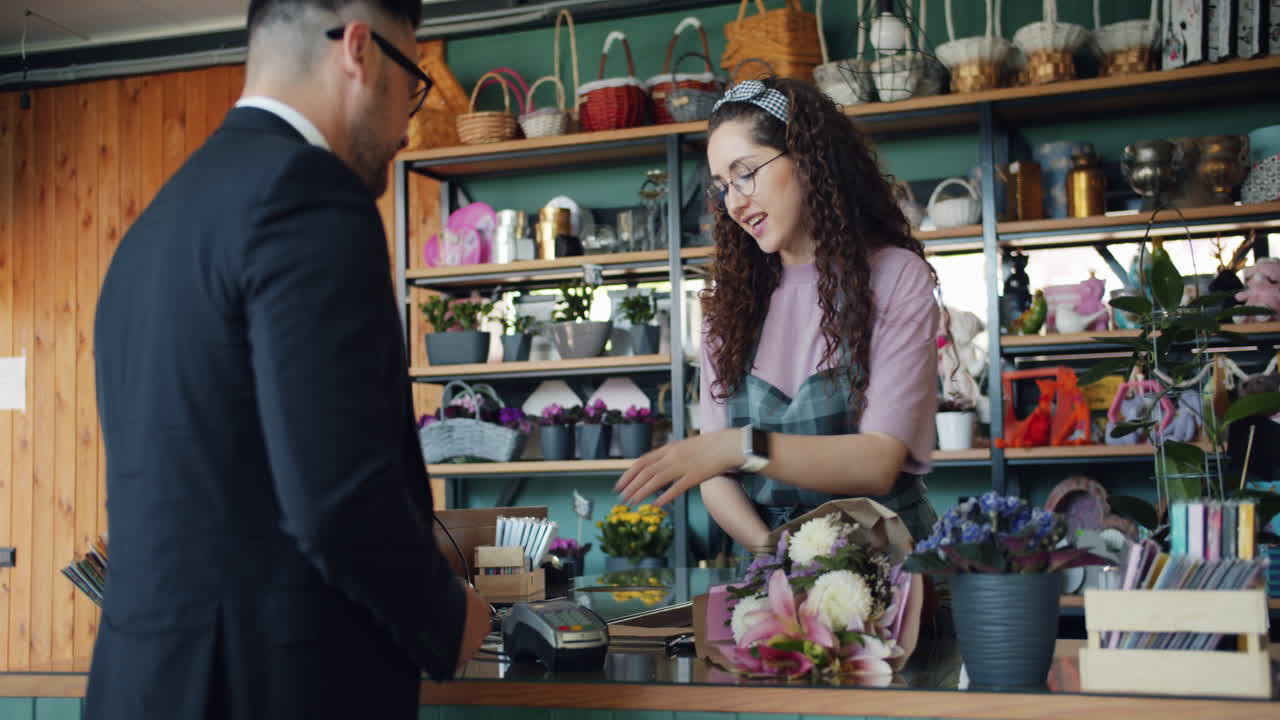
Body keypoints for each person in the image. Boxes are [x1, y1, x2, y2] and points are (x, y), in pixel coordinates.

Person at [87, 1, 489, 718]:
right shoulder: (308, 195)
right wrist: (447, 616)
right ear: (359, 52)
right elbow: (339, 498)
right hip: (271, 689)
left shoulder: (153, 227)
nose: (407, 124)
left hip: (141, 685)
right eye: (412, 79)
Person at [616, 77, 943, 550]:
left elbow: (877, 462)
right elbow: (716, 478)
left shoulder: (896, 277)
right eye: (723, 187)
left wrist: (740, 445)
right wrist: (777, 554)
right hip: (773, 566)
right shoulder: (728, 305)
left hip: (889, 564)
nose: (734, 202)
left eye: (746, 173)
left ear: (808, 161)